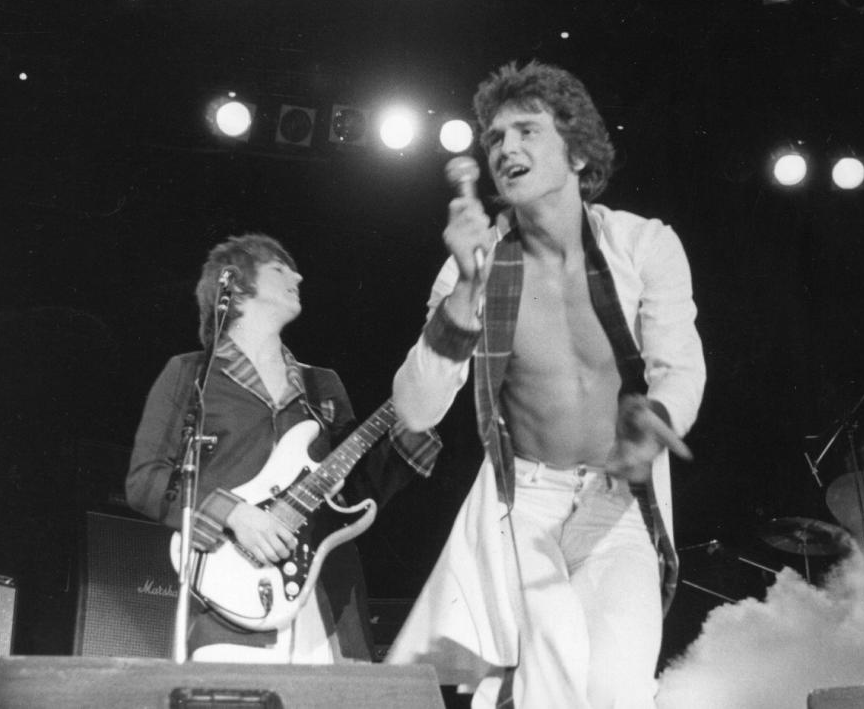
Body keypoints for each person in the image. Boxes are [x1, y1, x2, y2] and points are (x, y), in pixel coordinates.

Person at [385, 61, 706, 707]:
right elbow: (415, 411)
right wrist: (468, 293)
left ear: (579, 152)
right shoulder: (472, 269)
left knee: (617, 690)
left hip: (616, 504)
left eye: (526, 131)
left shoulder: (643, 245)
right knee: (550, 677)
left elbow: (681, 367)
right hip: (524, 503)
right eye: (495, 138)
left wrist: (657, 419)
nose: (505, 149)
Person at [126, 233, 441, 663]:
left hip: (325, 597)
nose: (298, 274)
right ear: (235, 286)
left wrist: (419, 418)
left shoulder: (321, 384)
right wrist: (232, 513)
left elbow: (355, 491)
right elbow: (146, 479)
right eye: (279, 268)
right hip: (231, 595)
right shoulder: (188, 375)